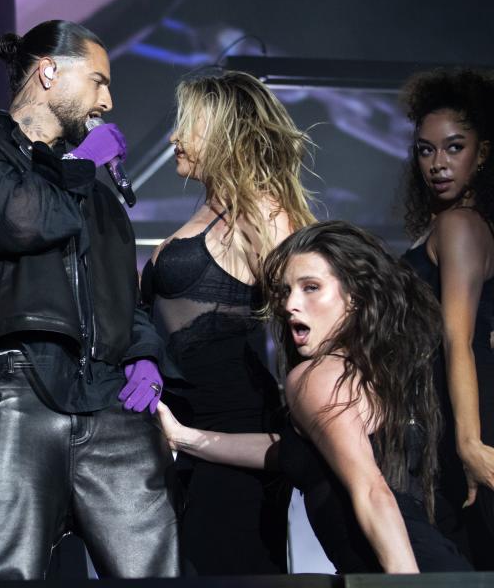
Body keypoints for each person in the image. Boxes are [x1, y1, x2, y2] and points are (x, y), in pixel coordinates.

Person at [0, 19, 179, 580]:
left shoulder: (94, 192)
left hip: (110, 403)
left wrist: (144, 354)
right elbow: (22, 221)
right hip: (16, 388)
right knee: (0, 572)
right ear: (47, 72)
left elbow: (125, 301)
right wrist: (79, 165)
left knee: (153, 574)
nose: (108, 101)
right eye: (98, 82)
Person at [157, 221, 471, 573]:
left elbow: (371, 490)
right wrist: (186, 438)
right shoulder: (369, 372)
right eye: (286, 290)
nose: (291, 304)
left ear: (354, 297)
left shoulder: (317, 378)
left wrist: (404, 586)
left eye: (311, 288)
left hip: (403, 569)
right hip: (434, 565)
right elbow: (289, 451)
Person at [140, 70, 315, 574]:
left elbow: (311, 323)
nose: (174, 137)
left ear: (224, 133)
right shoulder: (209, 211)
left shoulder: (264, 213)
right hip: (180, 433)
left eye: (186, 125)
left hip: (231, 432)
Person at [399, 68, 494, 567]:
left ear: (483, 154)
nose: (437, 163)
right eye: (425, 150)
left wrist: (470, 444)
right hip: (447, 410)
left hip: (467, 417)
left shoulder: (458, 224)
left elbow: (459, 338)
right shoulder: (452, 223)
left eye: (454, 147)